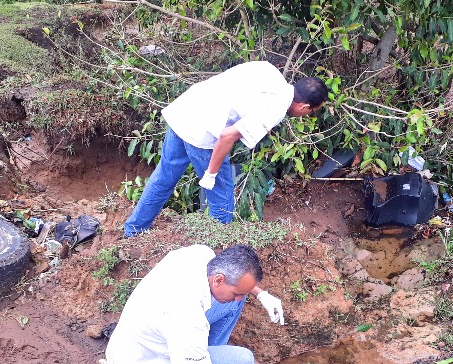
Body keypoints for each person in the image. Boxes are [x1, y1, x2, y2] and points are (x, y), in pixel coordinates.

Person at [105, 244, 308, 364]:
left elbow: (236, 283)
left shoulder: (201, 256)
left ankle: (202, 362)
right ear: (218, 280)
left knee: (236, 301)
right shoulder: (187, 321)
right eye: (236, 292)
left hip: (140, 338)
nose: (238, 298)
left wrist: (261, 294)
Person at [124, 61, 329, 237]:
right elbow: (227, 135)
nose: (307, 116)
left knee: (163, 178)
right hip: (204, 131)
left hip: (185, 111)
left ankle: (133, 231)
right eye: (312, 113)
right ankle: (216, 255)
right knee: (222, 198)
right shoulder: (275, 107)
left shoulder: (269, 71)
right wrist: (211, 174)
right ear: (304, 107)